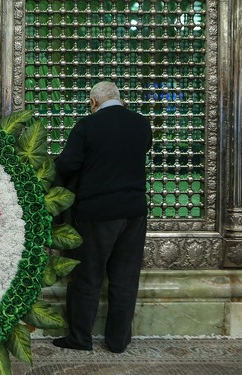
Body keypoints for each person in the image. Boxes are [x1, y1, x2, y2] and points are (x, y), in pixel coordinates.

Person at [53, 81, 152, 353]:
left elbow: (68, 164)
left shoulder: (88, 126)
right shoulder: (141, 124)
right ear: (120, 99)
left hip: (97, 212)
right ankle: (118, 341)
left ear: (93, 102)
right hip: (134, 211)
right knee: (125, 278)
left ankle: (80, 338)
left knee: (88, 276)